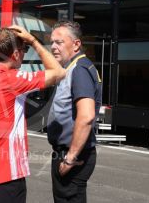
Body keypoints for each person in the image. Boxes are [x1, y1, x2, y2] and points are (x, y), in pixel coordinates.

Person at [0, 26, 66, 203]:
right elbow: (59, 72)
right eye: (24, 50)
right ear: (15, 54)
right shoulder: (12, 79)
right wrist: (34, 42)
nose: (24, 54)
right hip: (7, 179)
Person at [46, 21, 102, 203]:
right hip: (69, 152)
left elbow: (86, 116)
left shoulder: (79, 70)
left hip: (73, 155)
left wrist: (70, 159)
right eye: (52, 42)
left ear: (76, 44)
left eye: (59, 42)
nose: (53, 47)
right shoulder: (72, 68)